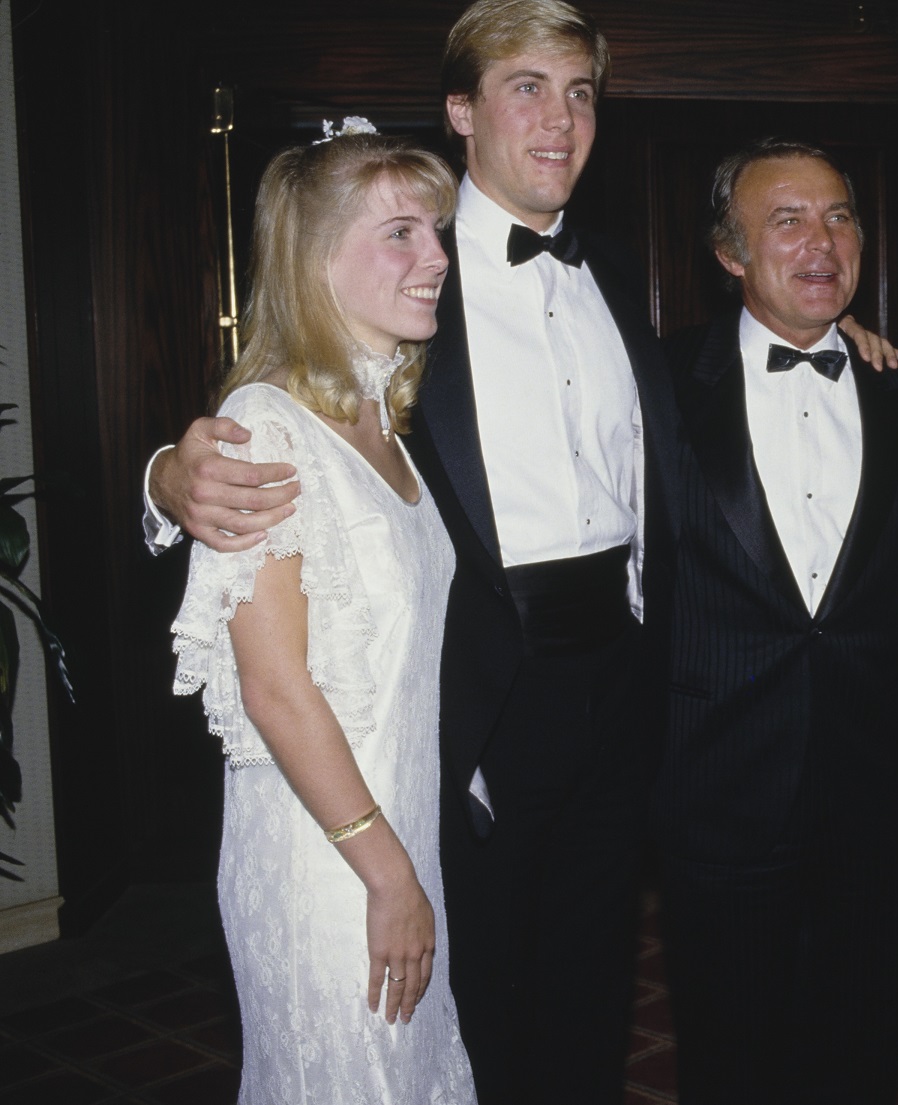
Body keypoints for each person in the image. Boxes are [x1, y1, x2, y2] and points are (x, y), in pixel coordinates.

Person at [148, 4, 679, 1101]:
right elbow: (265, 431)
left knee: (589, 1002)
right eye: (526, 87)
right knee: (464, 1015)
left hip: (617, 691)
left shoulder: (615, 275)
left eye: (580, 92)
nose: (559, 118)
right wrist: (166, 470)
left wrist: (858, 352)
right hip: (476, 716)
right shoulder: (404, 307)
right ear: (460, 112)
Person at [170, 127, 475, 1104]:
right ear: (315, 258)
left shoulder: (381, 415)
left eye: (437, 230)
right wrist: (387, 877)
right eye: (400, 233)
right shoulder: (267, 422)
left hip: (395, 834)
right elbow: (274, 686)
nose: (435, 256)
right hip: (329, 858)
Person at [650, 137, 898, 1105]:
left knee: (862, 1042)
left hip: (872, 782)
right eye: (787, 220)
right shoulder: (655, 383)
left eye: (840, 216)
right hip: (717, 777)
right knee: (728, 1053)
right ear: (730, 253)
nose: (822, 242)